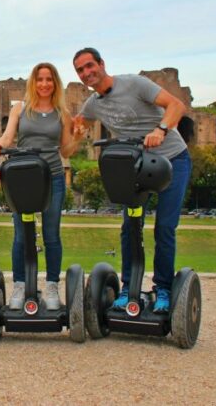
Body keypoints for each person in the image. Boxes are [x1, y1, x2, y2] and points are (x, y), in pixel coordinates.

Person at [70, 47, 191, 313]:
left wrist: (160, 129)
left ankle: (163, 289)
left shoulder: (135, 84)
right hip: (136, 167)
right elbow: (75, 129)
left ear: (102, 64)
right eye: (80, 70)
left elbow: (176, 105)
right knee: (130, 228)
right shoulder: (93, 104)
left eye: (90, 66)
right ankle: (129, 288)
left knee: (164, 228)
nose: (87, 73)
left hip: (172, 160)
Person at [0, 62, 81, 311]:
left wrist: (78, 137)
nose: (44, 84)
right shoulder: (19, 109)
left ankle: (51, 286)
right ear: (33, 82)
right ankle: (20, 284)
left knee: (52, 235)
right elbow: (9, 137)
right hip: (24, 176)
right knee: (21, 235)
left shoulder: (62, 113)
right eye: (39, 79)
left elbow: (65, 150)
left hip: (53, 176)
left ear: (55, 83)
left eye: (49, 79)